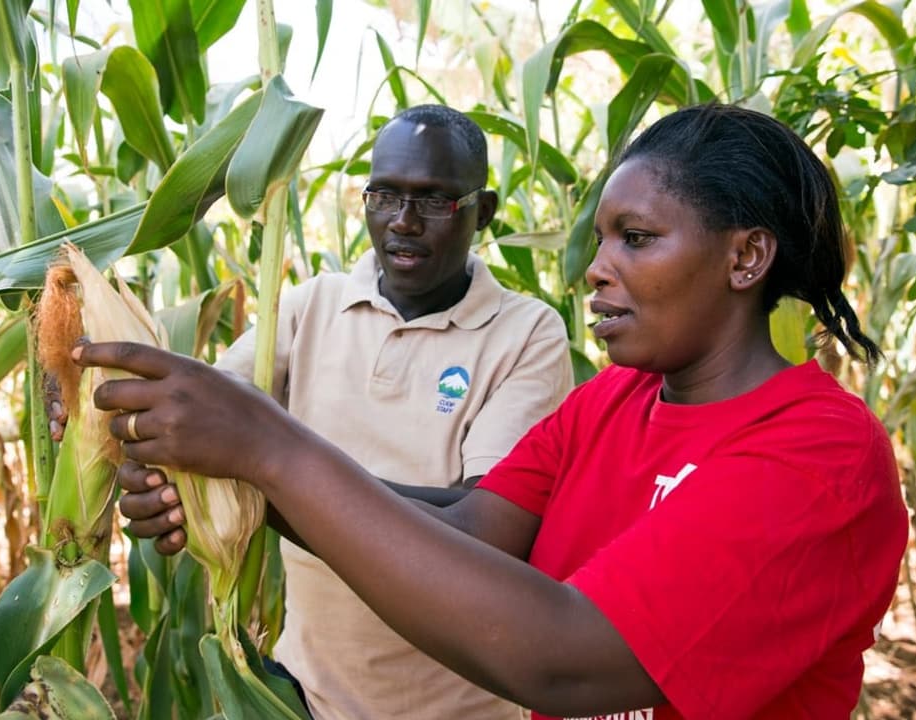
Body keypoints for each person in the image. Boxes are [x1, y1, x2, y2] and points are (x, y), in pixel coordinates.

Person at [77, 103, 908, 719]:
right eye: (601, 238)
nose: (596, 267)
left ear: (746, 256)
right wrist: (249, 491)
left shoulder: (817, 459)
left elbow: (563, 660)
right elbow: (467, 531)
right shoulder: (613, 401)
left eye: (637, 239)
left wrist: (272, 454)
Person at [101, 104, 570, 720]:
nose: (403, 222)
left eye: (433, 201)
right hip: (305, 698)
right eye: (385, 196)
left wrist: (268, 480)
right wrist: (135, 446)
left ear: (482, 211)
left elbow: (479, 531)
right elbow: (201, 419)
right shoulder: (307, 309)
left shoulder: (526, 333)